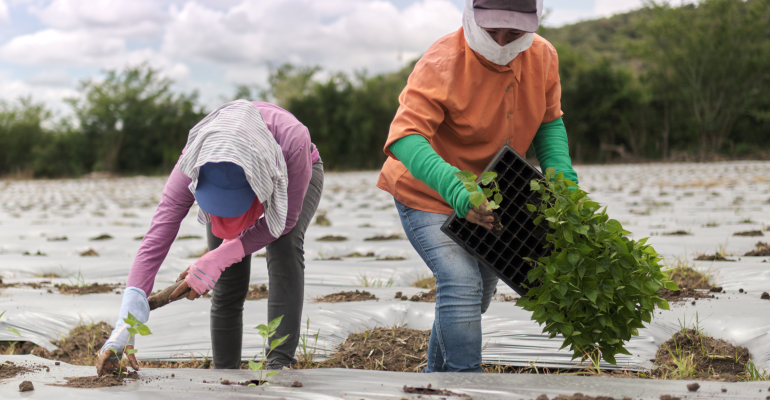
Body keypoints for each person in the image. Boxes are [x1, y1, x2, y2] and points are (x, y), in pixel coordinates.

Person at [377, 0, 578, 373]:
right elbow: (405, 137)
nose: (501, 42)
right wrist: (456, 189)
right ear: (471, 15)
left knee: (479, 293)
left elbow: (548, 121)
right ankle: (467, 384)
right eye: (491, 31)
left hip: (491, 196)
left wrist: (562, 178)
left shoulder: (543, 56)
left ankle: (436, 381)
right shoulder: (442, 61)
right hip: (429, 191)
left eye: (513, 33)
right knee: (461, 282)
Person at [96, 99, 323, 375]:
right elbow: (157, 236)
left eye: (232, 210)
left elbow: (283, 223)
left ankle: (280, 364)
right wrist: (127, 319)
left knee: (284, 248)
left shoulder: (294, 141)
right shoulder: (195, 158)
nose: (224, 221)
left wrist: (220, 257)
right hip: (231, 171)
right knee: (227, 281)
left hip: (294, 171)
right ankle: (224, 373)